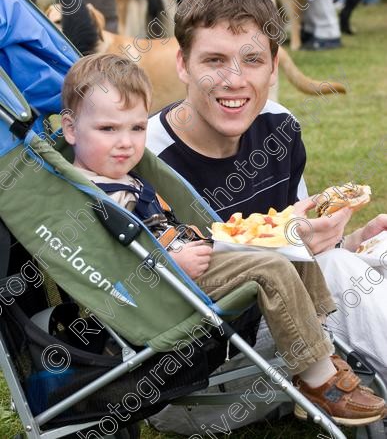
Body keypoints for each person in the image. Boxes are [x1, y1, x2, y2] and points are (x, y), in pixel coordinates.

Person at [61, 56, 385, 424]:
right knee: (272, 267)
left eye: (136, 129)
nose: (125, 143)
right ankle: (316, 378)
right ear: (71, 129)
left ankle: (324, 343)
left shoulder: (120, 174)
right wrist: (165, 263)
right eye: (107, 129)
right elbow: (100, 268)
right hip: (167, 286)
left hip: (191, 257)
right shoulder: (85, 194)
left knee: (288, 246)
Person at [145, 0, 387, 388]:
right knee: (339, 269)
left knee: (369, 251)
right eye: (214, 60)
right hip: (201, 365)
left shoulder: (279, 125)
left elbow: (304, 244)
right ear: (183, 65)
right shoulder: (145, 157)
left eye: (253, 60)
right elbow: (149, 296)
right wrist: (303, 246)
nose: (234, 80)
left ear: (274, 66)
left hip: (294, 326)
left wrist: (348, 239)